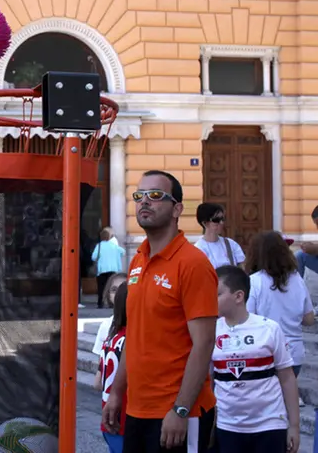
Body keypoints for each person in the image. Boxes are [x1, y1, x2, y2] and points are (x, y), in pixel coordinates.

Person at [103, 170, 218, 453]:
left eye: (155, 196)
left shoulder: (193, 263)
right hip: (138, 409)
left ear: (177, 208)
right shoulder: (138, 260)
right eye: (139, 196)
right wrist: (117, 391)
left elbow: (203, 344)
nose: (145, 202)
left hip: (179, 413)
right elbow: (135, 333)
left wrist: (180, 409)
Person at [212, 265, 300, 453]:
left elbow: (287, 378)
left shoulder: (269, 329)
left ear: (238, 296)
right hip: (228, 426)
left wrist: (294, 426)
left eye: (217, 294)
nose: (210, 299)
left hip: (269, 425)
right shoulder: (210, 331)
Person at [244, 231, 315, 406]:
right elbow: (309, 319)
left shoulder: (254, 282)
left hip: (265, 353)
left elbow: (247, 319)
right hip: (294, 355)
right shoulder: (297, 279)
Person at [97, 282, 128, 453]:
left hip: (108, 415)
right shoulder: (131, 337)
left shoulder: (112, 336)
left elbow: (97, 381)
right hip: (123, 418)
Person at [194, 203, 245, 269]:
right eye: (216, 220)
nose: (221, 223)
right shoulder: (198, 249)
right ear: (205, 223)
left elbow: (243, 268)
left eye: (222, 219)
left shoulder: (230, 244)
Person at [91, 272, 127, 356]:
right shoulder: (106, 324)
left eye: (124, 290)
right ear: (108, 295)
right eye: (114, 290)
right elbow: (100, 360)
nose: (118, 294)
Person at [92, 228, 126, 308]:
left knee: (101, 287)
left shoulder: (99, 246)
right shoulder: (114, 246)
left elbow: (93, 257)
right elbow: (123, 252)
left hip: (102, 270)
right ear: (108, 237)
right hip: (113, 269)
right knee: (111, 287)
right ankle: (111, 303)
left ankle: (100, 303)